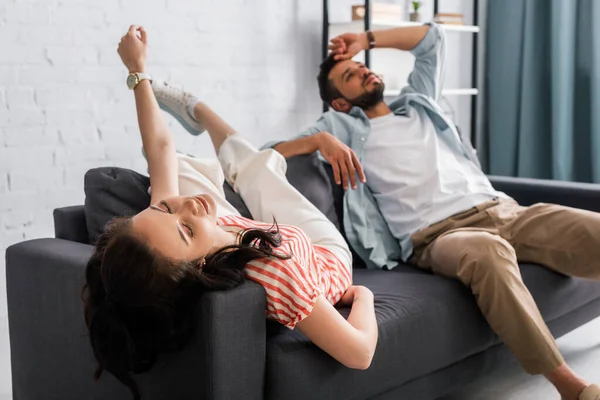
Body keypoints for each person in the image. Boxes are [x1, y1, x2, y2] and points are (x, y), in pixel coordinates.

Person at [268, 23, 600, 400]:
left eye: (361, 65)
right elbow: (263, 153)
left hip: (503, 209)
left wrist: (366, 39)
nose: (362, 70)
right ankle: (571, 387)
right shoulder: (340, 127)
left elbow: (433, 39)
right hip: (437, 236)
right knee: (487, 252)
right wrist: (317, 139)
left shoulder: (419, 103)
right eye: (349, 75)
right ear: (340, 102)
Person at [82, 25, 378, 400]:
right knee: (260, 170)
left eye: (164, 207)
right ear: (199, 268)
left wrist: (137, 69)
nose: (186, 207)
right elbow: (360, 353)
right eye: (185, 230)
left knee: (181, 166)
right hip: (320, 254)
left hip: (232, 232)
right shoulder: (276, 274)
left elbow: (159, 147)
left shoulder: (173, 237)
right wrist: (363, 296)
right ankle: (203, 112)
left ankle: (201, 116)